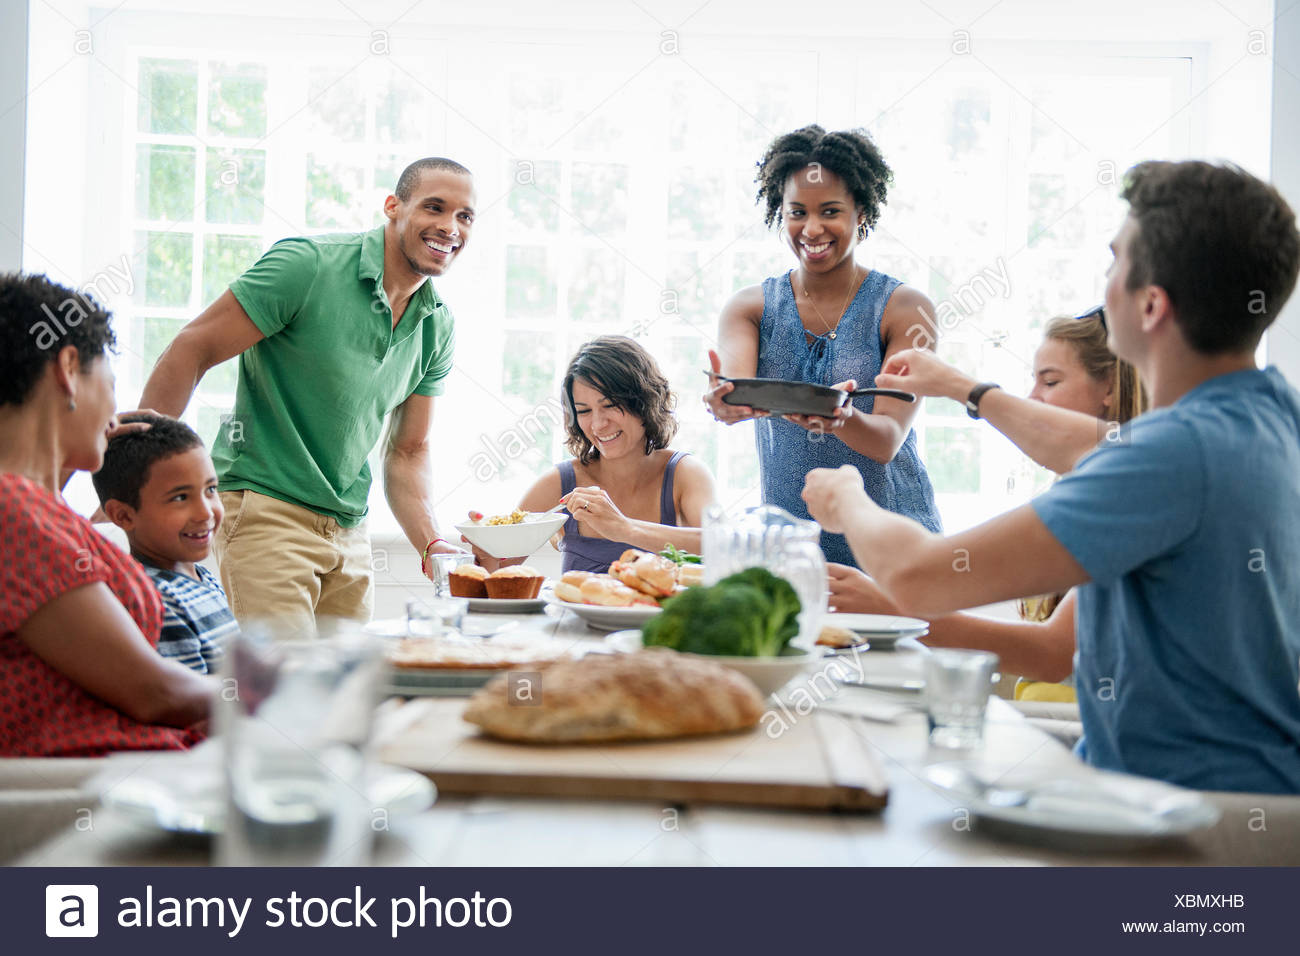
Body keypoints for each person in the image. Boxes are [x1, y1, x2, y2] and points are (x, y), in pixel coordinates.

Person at [802, 160, 1300, 794]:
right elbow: (1089, 447)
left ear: (1151, 304)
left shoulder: (1171, 454)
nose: (1106, 281)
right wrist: (962, 387)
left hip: (1177, 825)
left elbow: (920, 577)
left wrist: (848, 498)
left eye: (1115, 262)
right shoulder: (1269, 416)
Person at [139, 157, 477, 631]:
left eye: (465, 216)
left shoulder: (436, 323)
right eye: (435, 207)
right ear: (393, 207)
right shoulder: (309, 265)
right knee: (283, 694)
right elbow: (192, 348)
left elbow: (408, 450)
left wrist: (431, 541)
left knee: (344, 696)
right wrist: (135, 471)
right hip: (267, 513)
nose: (450, 227)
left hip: (349, 531)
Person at [827, 313, 1147, 701]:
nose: (1032, 399)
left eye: (1050, 381)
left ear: (1109, 387)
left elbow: (1052, 653)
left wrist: (846, 496)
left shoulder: (1134, 481)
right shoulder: (1101, 479)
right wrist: (955, 385)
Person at [703, 124, 942, 566]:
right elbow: (735, 390)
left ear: (861, 213)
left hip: (891, 540)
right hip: (792, 545)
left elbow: (887, 440)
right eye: (797, 212)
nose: (811, 229)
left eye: (830, 211)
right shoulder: (749, 307)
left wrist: (839, 417)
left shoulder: (905, 308)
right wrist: (724, 402)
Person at [0, 273, 212, 756]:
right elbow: (154, 692)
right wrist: (274, 692)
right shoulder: (14, 512)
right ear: (68, 369)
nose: (115, 414)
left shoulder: (33, 507)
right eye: (111, 387)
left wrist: (72, 457)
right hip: (94, 785)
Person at [474, 336, 717, 573]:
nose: (598, 425)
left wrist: (624, 528)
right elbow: (497, 573)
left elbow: (720, 545)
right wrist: (485, 549)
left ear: (644, 401)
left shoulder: (685, 474)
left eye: (610, 405)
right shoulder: (559, 484)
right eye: (584, 411)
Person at [93, 413, 238, 674]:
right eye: (180, 497)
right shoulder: (155, 600)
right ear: (124, 515)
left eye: (211, 489)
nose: (205, 512)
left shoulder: (200, 577)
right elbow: (189, 707)